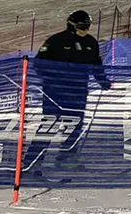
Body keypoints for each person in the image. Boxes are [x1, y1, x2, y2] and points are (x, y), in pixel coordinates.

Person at [30, 10, 111, 174]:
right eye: (82, 26)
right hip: (56, 93)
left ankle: (66, 159)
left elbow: (96, 66)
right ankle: (32, 162)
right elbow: (39, 64)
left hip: (78, 92)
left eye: (87, 27)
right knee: (50, 125)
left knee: (74, 126)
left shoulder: (90, 43)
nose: (85, 30)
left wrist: (104, 82)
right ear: (72, 26)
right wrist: (55, 78)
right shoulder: (57, 41)